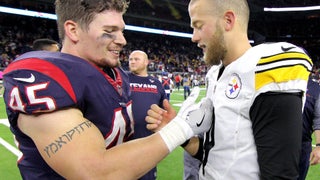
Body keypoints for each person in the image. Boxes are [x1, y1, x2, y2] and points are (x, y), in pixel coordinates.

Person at [2, 0, 213, 179]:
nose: (122, 40)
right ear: (73, 30)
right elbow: (96, 172)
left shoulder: (117, 74)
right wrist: (181, 129)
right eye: (109, 32)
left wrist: (165, 125)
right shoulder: (45, 76)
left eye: (121, 31)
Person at [146, 0, 313, 179]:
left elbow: (279, 175)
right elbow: (214, 155)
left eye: (199, 26)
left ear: (228, 20)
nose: (193, 37)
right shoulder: (215, 74)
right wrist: (181, 134)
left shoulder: (263, 68)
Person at [128, 50, 167, 180]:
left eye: (136, 59)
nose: (132, 61)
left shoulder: (156, 83)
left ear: (146, 62)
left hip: (148, 143)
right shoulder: (122, 79)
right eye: (130, 59)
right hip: (125, 143)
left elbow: (164, 109)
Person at [298, 76, 320, 180]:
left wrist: (319, 146)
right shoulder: (283, 81)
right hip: (277, 143)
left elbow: (318, 118)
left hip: (302, 145)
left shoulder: (315, 88)